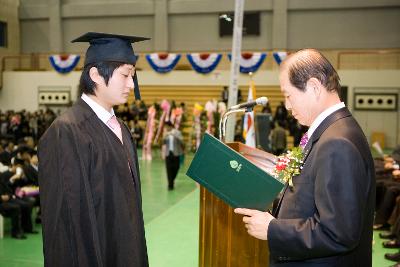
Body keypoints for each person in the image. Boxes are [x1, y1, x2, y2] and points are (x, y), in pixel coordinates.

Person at [234, 49, 375, 266]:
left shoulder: (337, 143)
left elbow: (338, 233)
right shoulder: (331, 131)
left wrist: (273, 229)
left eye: (288, 95)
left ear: (314, 87)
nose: (287, 106)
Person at [38, 32, 150, 267]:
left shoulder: (121, 128)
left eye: (133, 75)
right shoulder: (66, 133)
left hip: (126, 250)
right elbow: (66, 222)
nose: (131, 84)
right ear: (95, 74)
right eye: (125, 75)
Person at [162, 121, 184, 190]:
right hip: (168, 154)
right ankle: (170, 185)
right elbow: (163, 142)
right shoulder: (166, 134)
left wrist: (174, 135)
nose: (166, 128)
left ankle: (172, 180)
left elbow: (182, 141)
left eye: (166, 127)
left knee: (176, 168)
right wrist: (165, 137)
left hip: (176, 153)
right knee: (168, 169)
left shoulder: (177, 132)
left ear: (170, 126)